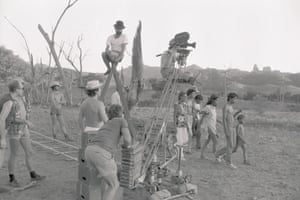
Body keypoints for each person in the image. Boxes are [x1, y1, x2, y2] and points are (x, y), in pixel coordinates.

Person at [0, 79, 45, 187]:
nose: (24, 89)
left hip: (23, 128)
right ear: (16, 89)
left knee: (29, 151)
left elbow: (22, 112)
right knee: (14, 154)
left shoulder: (21, 98)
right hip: (14, 129)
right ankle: (12, 178)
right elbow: (6, 119)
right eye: (22, 87)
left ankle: (33, 174)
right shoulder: (9, 100)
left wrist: (26, 120)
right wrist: (25, 121)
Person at [85, 104, 132, 200]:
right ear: (121, 113)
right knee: (114, 185)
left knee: (105, 180)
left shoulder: (106, 124)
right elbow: (127, 139)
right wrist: (127, 146)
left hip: (89, 151)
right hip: (101, 153)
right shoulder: (122, 121)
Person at [215, 92, 242, 169]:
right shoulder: (226, 107)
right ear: (230, 98)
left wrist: (237, 112)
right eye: (235, 98)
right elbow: (224, 119)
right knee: (230, 146)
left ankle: (218, 154)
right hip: (228, 128)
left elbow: (231, 117)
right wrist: (226, 130)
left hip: (233, 127)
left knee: (231, 145)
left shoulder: (231, 107)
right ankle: (228, 162)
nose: (235, 100)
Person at [200, 94, 219, 160]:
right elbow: (201, 112)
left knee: (207, 141)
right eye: (216, 100)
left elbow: (213, 118)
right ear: (213, 101)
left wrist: (220, 122)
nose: (217, 102)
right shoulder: (208, 107)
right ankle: (217, 157)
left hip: (213, 127)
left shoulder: (214, 108)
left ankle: (201, 155)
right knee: (216, 141)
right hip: (208, 127)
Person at [173, 91, 189, 161]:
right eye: (184, 96)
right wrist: (174, 125)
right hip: (178, 124)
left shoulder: (185, 105)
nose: (185, 98)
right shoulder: (176, 104)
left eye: (186, 96)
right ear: (181, 97)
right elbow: (174, 115)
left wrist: (187, 123)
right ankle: (180, 155)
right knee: (180, 140)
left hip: (184, 124)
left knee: (185, 139)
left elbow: (186, 115)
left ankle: (178, 152)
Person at [186, 88, 197, 153]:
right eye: (193, 93)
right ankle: (187, 149)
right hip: (185, 117)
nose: (194, 95)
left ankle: (188, 149)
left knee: (190, 134)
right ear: (190, 93)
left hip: (191, 118)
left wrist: (194, 115)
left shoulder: (192, 101)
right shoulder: (185, 100)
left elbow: (194, 109)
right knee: (189, 133)